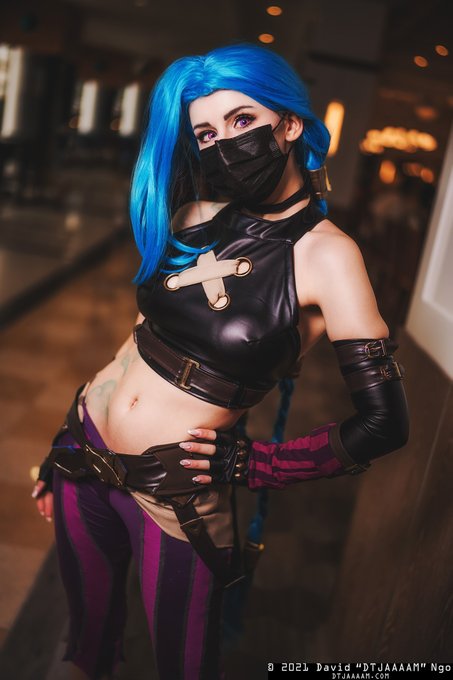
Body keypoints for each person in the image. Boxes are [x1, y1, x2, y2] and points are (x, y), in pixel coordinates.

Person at [32, 43, 409, 680]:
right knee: (87, 642)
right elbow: (136, 343)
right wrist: (60, 444)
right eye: (206, 132)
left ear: (290, 124)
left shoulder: (329, 256)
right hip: (83, 454)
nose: (224, 142)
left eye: (242, 120)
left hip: (177, 495)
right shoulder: (193, 216)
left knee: (185, 665)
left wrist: (252, 464)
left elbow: (385, 423)